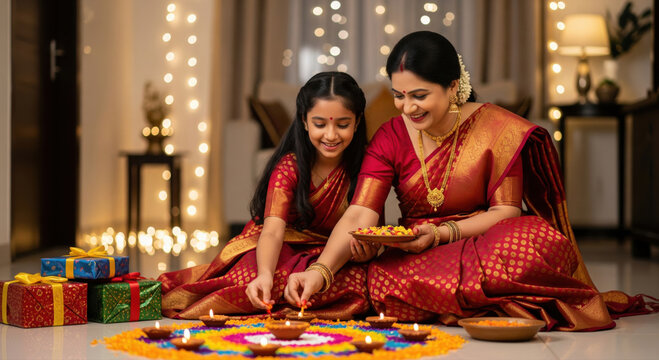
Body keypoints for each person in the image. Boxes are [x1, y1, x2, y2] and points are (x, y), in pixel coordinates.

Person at [284, 31, 656, 331]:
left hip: (483, 241)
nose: (407, 108)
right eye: (399, 96)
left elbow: (507, 212)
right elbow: (359, 213)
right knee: (341, 271)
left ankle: (420, 296)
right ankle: (473, 299)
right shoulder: (391, 135)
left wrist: (444, 233)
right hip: (416, 252)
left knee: (536, 240)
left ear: (452, 86)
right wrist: (321, 271)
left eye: (419, 96)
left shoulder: (499, 128)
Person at [158, 71, 371, 319]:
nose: (331, 135)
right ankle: (283, 295)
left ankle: (293, 298)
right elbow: (272, 231)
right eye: (320, 124)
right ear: (304, 121)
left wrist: (368, 250)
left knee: (361, 282)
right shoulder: (290, 167)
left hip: (333, 257)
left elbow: (373, 231)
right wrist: (265, 275)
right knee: (253, 278)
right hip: (282, 248)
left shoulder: (369, 166)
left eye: (342, 124)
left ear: (357, 122)